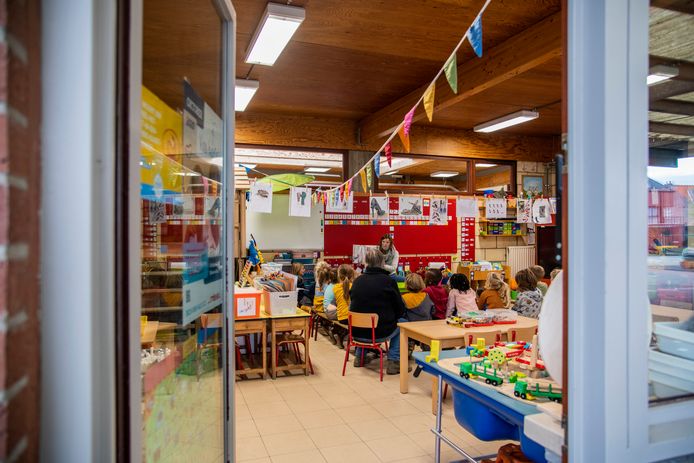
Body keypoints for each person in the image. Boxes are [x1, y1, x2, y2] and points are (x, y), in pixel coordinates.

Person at [349, 248, 407, 375]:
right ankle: (394, 362)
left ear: (367, 263)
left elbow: (353, 305)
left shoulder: (357, 281)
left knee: (366, 318)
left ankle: (359, 357)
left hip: (356, 331)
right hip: (380, 331)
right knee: (403, 324)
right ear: (382, 263)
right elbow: (400, 309)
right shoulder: (388, 281)